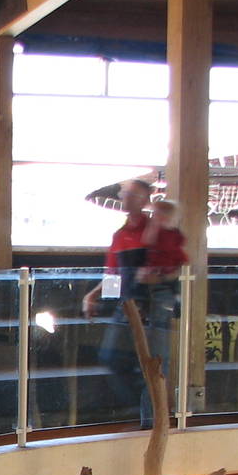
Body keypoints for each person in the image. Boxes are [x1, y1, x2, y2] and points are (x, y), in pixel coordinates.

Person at [81, 180, 187, 427]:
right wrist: (93, 296)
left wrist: (158, 278)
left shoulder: (159, 229)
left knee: (156, 364)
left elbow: (176, 266)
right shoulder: (120, 235)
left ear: (145, 199)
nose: (125, 197)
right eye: (124, 193)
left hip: (154, 302)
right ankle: (145, 411)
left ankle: (151, 422)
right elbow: (114, 275)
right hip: (128, 301)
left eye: (132, 194)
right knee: (111, 357)